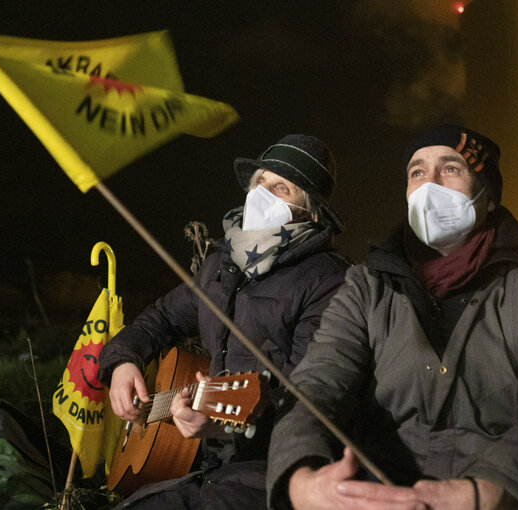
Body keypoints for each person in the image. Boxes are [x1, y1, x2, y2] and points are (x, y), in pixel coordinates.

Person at [267, 125, 518, 510]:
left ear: (487, 198)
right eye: (416, 172)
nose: (430, 184)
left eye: (450, 168)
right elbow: (317, 383)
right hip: (381, 493)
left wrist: (493, 490)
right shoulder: (366, 287)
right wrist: (300, 480)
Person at [97, 134, 351, 509]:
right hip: (209, 461)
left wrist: (221, 424)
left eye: (281, 188)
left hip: (272, 470)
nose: (261, 196)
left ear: (312, 213)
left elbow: (314, 400)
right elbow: (162, 317)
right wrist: (123, 360)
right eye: (259, 183)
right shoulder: (222, 263)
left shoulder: (327, 281)